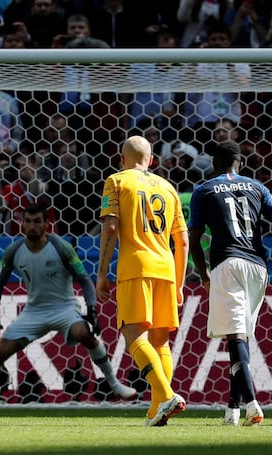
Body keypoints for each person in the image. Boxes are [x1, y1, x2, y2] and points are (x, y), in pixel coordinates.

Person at [0, 203, 138, 411]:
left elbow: (83, 279)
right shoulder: (14, 251)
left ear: (47, 224)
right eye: (28, 221)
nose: (32, 226)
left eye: (37, 221)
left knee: (83, 332)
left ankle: (114, 383)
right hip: (34, 311)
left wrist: (91, 310)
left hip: (64, 307)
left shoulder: (61, 247)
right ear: (22, 224)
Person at [188, 140, 272, 427]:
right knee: (241, 336)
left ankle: (252, 404)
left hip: (227, 264)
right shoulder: (257, 187)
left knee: (235, 337)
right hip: (258, 267)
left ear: (214, 164)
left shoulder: (204, 190)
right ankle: (232, 409)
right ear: (240, 162)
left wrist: (204, 275)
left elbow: (194, 240)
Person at [96, 135, 189, 427]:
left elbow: (110, 226)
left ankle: (166, 395)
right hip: (165, 269)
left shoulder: (116, 181)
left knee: (135, 337)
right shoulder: (169, 187)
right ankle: (155, 411)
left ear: (122, 159)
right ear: (151, 160)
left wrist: (101, 272)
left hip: (136, 266)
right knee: (160, 342)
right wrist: (180, 283)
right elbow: (183, 241)